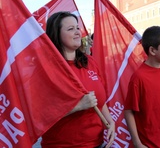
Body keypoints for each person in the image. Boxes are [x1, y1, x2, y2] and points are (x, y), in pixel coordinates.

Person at [41, 11, 115, 148]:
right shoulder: (45, 69)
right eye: (70, 29)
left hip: (97, 143)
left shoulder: (90, 62)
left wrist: (110, 122)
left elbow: (99, 100)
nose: (77, 32)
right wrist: (78, 106)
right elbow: (40, 115)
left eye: (77, 27)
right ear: (56, 34)